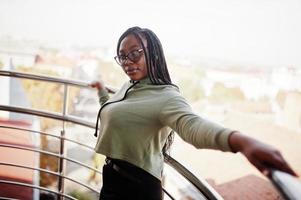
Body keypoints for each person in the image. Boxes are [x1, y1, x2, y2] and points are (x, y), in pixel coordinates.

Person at [90, 26, 297, 200]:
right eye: (123, 56)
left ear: (153, 53)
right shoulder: (130, 86)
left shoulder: (167, 96)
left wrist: (241, 142)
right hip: (111, 176)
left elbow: (193, 127)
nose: (127, 61)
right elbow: (114, 108)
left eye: (135, 53)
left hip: (136, 186)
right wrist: (101, 90)